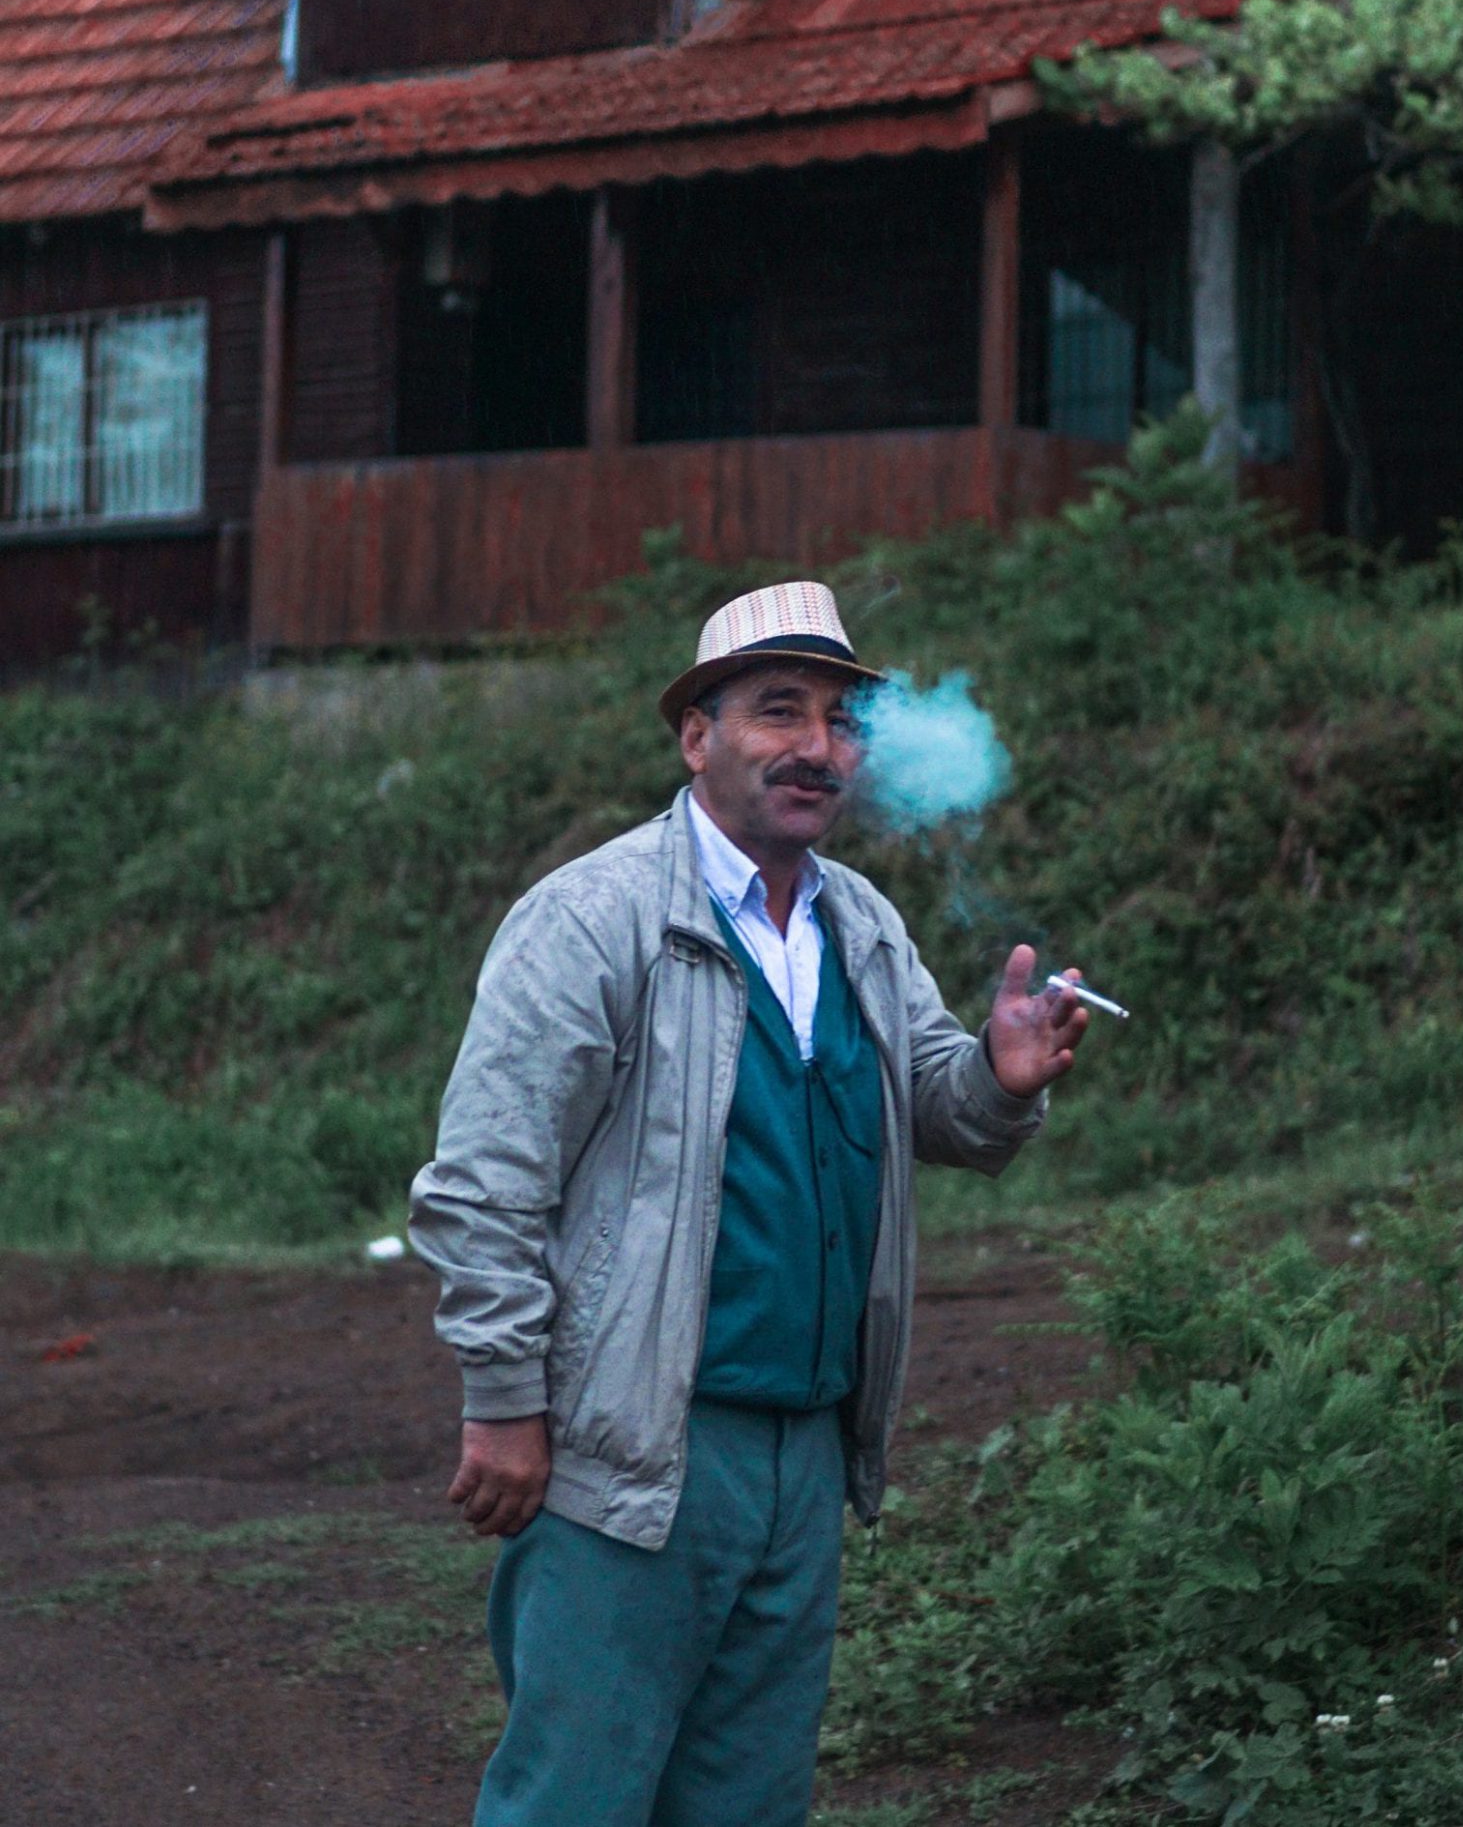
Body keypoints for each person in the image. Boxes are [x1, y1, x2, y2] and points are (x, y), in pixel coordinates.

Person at [408, 579, 1088, 1827]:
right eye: (780, 711)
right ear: (697, 736)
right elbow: (485, 1183)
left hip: (806, 1451)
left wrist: (998, 1076)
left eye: (840, 721)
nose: (816, 747)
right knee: (578, 1798)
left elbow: (929, 1106)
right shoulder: (594, 919)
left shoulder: (858, 924)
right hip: (639, 1446)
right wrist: (503, 1401)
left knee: (747, 1805)